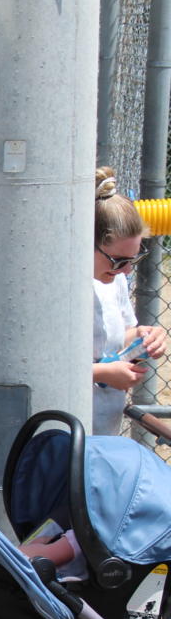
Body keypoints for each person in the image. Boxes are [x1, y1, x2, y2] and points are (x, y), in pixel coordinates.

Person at [91, 167, 167, 435]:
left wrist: (144, 336)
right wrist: (100, 373)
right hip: (61, 430)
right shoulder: (56, 292)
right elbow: (39, 367)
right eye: (119, 261)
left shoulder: (114, 279)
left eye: (133, 259)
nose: (126, 270)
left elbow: (114, 338)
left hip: (103, 425)